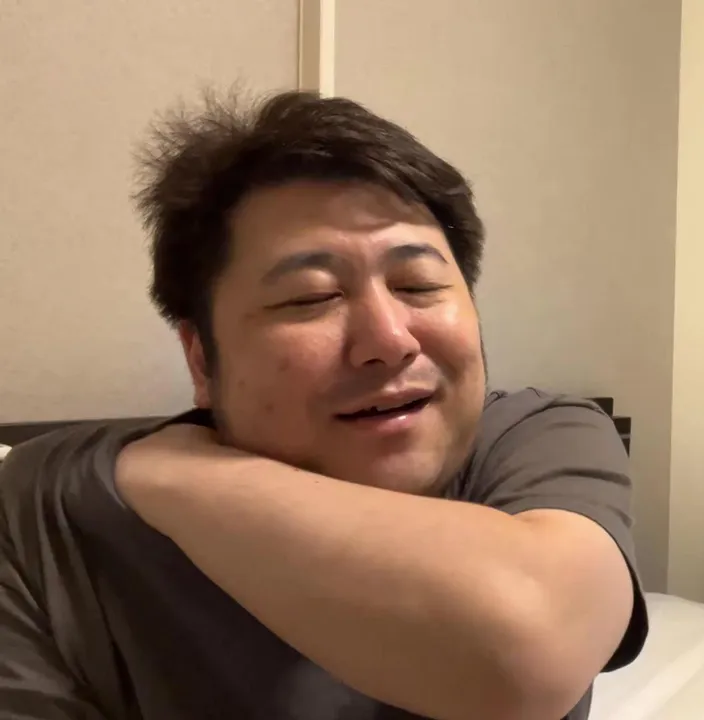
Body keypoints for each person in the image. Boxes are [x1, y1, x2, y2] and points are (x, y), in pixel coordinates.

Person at [0, 90, 647, 720]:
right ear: (201, 359)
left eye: (418, 284)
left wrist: (165, 471)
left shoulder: (536, 436)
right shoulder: (48, 515)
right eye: (310, 297)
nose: (389, 341)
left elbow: (526, 654)